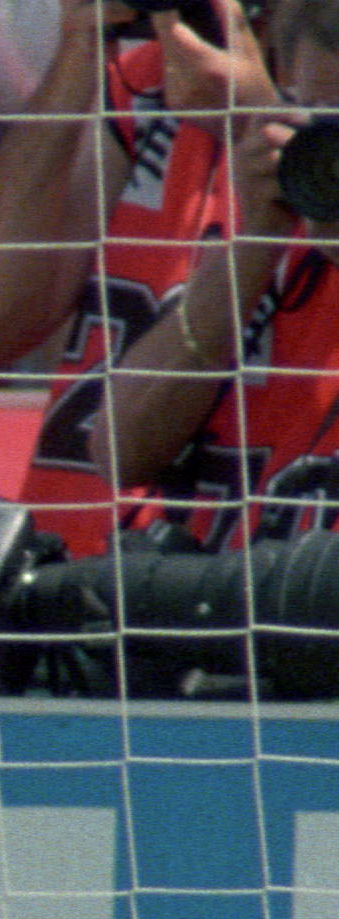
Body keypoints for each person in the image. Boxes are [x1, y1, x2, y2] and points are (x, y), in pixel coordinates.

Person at [0, 0, 271, 556]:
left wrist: (259, 120)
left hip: (264, 583)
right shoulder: (141, 88)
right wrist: (79, 50)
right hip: (76, 572)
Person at [80, 0, 339, 552]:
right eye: (317, 111)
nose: (330, 143)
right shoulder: (289, 203)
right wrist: (255, 245)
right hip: (238, 601)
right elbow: (120, 453)